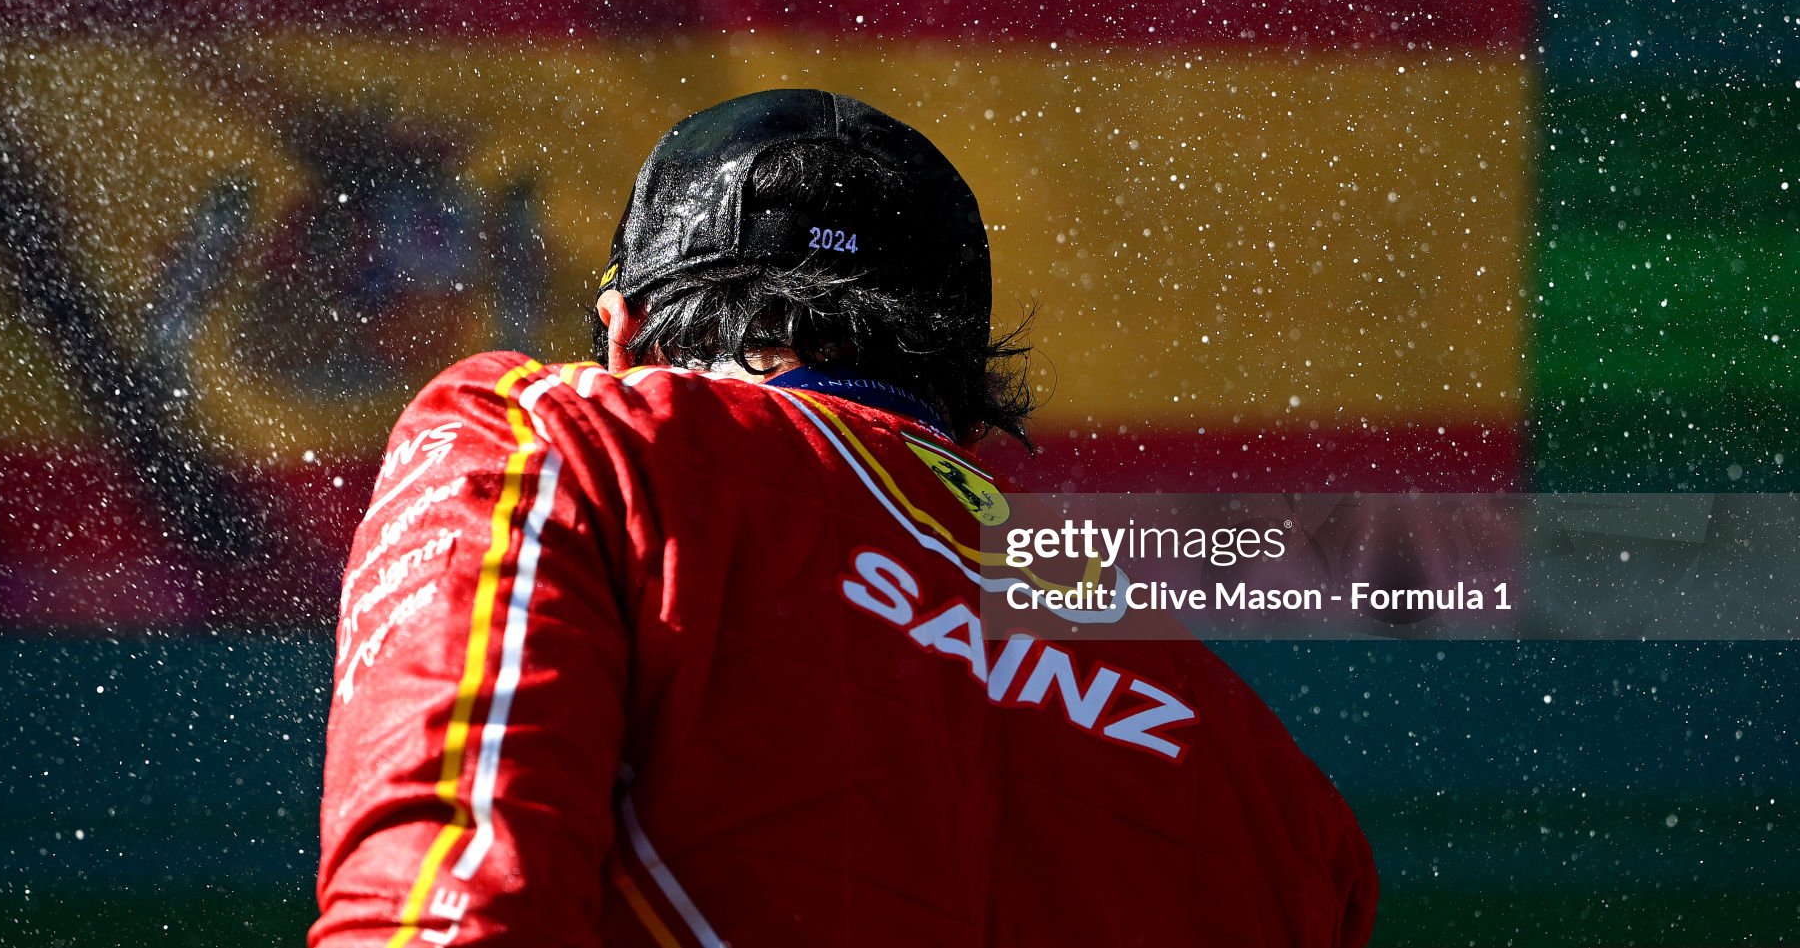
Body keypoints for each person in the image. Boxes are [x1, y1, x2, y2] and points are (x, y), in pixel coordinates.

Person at [312, 89, 1377, 946]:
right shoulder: (1275, 792)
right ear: (961, 375)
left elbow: (442, 906)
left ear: (622, 333)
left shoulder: (563, 441)